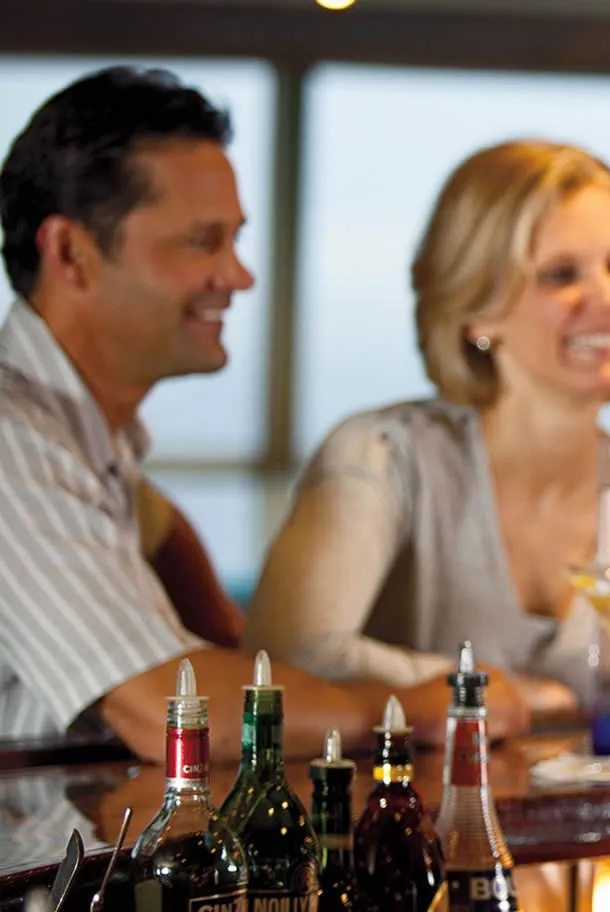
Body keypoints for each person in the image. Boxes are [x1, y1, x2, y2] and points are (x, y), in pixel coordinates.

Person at [0, 67, 486, 763]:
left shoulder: (89, 444)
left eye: (235, 238)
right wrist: (407, 709)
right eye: (202, 242)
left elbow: (157, 536)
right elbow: (168, 715)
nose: (239, 275)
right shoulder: (14, 440)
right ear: (71, 252)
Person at [244, 140, 610, 716]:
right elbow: (285, 663)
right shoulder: (381, 459)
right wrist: (511, 695)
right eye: (560, 275)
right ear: (475, 309)